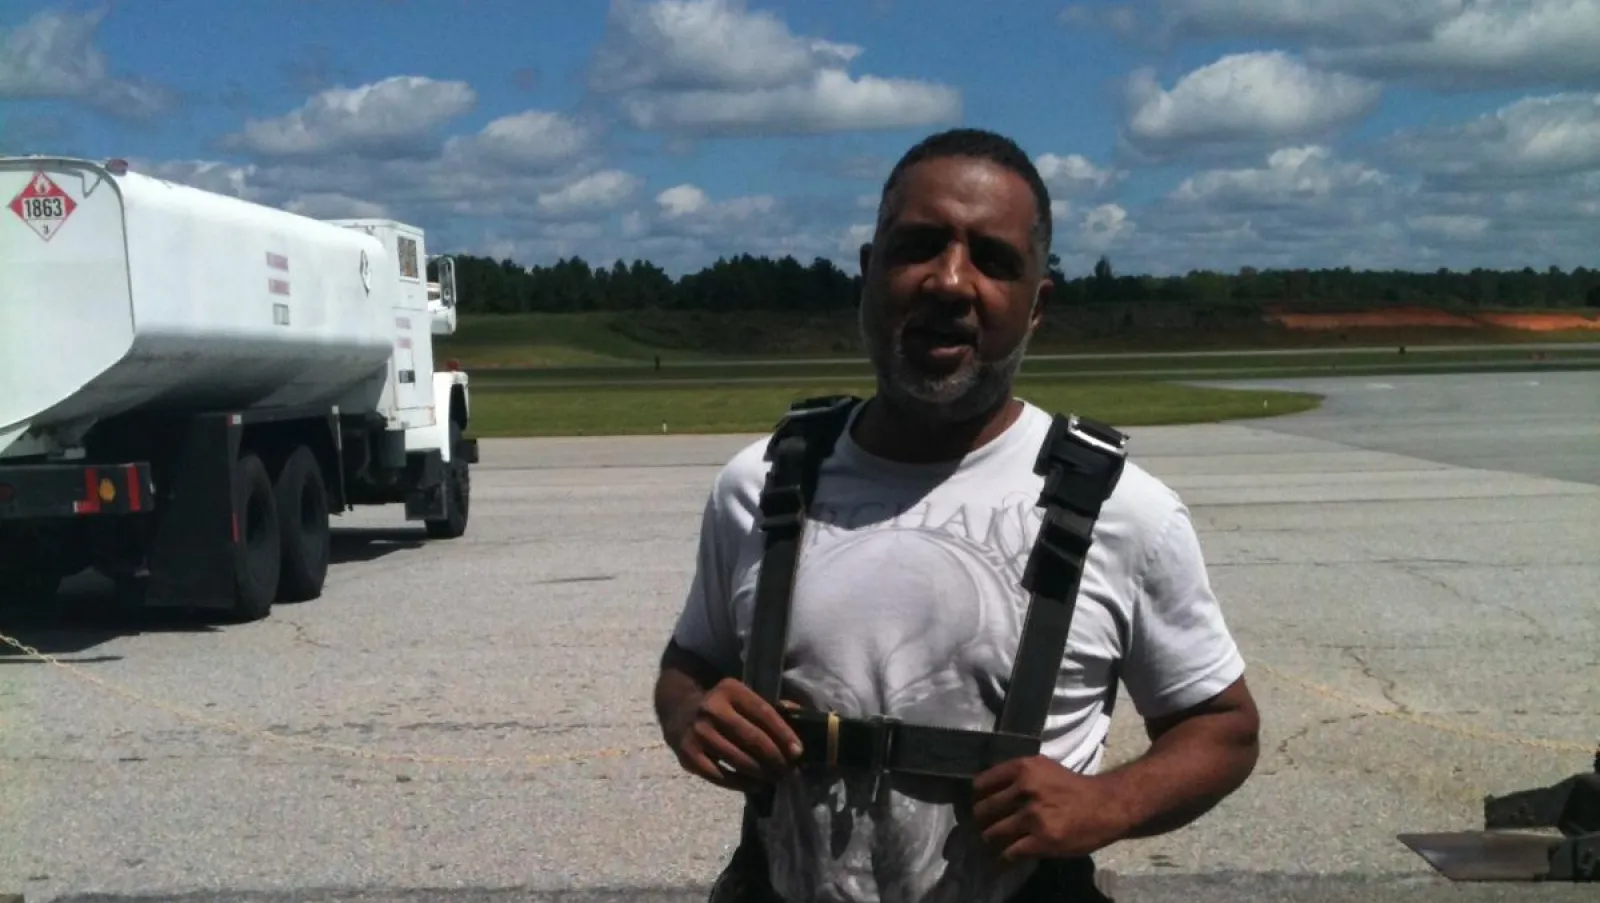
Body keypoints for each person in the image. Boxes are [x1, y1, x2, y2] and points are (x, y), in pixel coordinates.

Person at [652, 127, 1261, 903]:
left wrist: (1107, 804)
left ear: (1037, 305)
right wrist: (690, 715)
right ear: (870, 274)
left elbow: (1225, 726)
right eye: (919, 246)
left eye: (994, 260)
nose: (950, 282)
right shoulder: (762, 485)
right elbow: (689, 665)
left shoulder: (1125, 511)